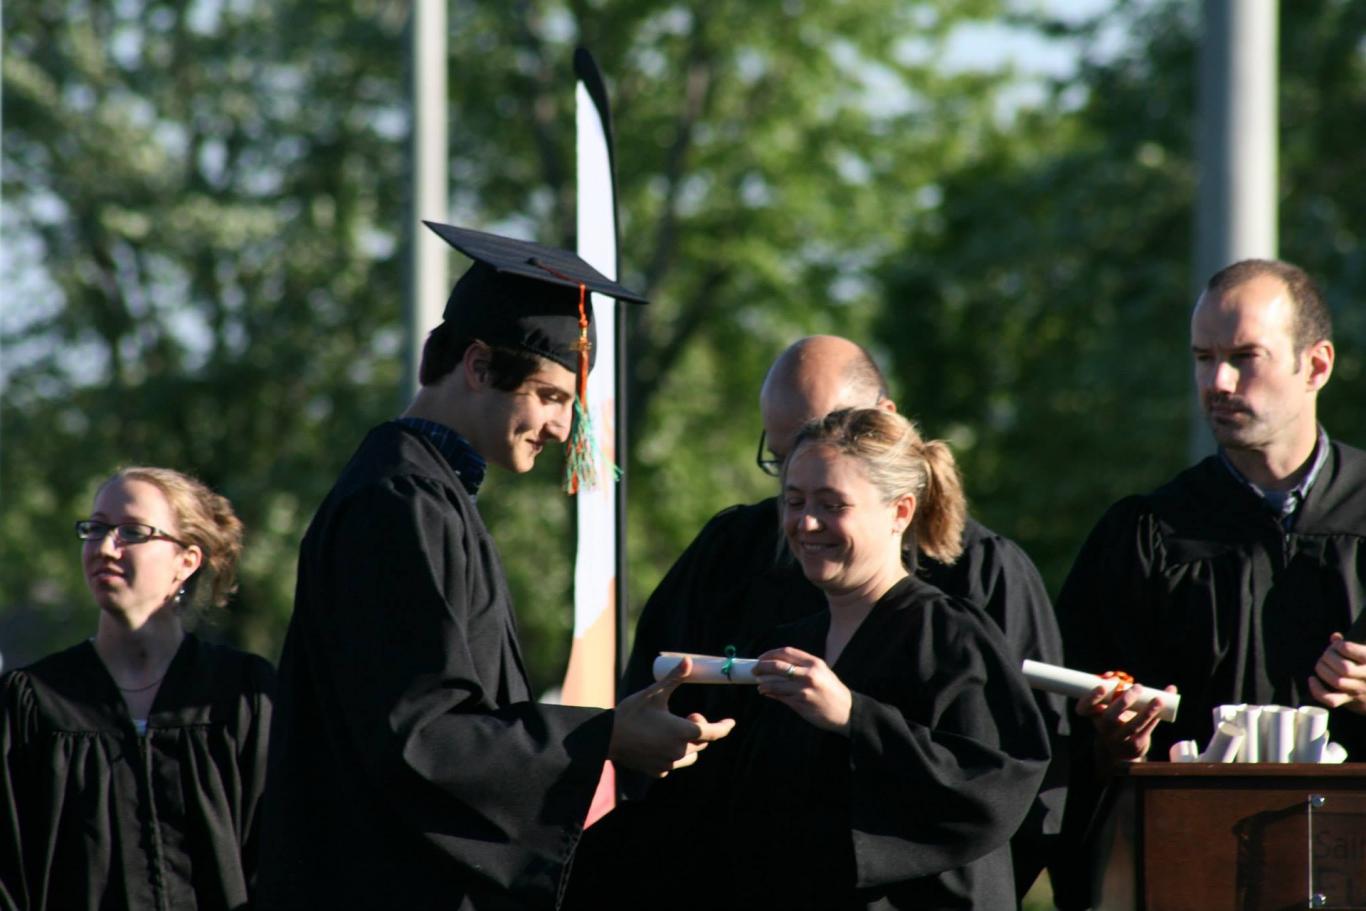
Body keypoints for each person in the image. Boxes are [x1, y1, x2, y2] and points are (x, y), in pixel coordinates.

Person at [255, 224, 734, 910]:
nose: (565, 429)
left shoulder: (426, 492)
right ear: (478, 365)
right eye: (552, 396)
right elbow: (421, 737)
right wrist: (604, 735)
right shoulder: (401, 505)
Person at [620, 334, 1068, 900]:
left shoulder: (953, 637)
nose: (805, 525)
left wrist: (855, 717)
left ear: (900, 511)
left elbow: (997, 785)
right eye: (793, 498)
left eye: (832, 505)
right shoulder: (789, 641)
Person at [1055, 259, 1366, 907]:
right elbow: (1070, 746)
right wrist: (1117, 740)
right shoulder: (1148, 535)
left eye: (1244, 356)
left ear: (1317, 365)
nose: (1217, 381)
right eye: (1203, 357)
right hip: (1195, 874)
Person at [1, 466, 272, 911]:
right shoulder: (31, 703)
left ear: (186, 561)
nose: (105, 547)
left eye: (132, 532)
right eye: (96, 529)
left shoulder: (242, 696)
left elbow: (285, 855)